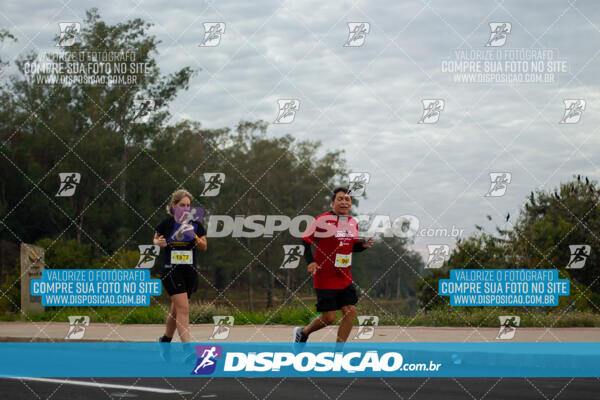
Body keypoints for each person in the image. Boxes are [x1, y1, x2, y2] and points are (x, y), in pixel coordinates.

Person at [294, 187, 374, 343]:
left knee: (350, 311)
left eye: (347, 199)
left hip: (344, 276)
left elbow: (351, 247)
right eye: (340, 199)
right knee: (329, 317)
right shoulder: (322, 220)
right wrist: (311, 261)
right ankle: (303, 333)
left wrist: (363, 245)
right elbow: (305, 240)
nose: (344, 201)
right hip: (325, 275)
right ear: (332, 203)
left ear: (350, 204)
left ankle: (339, 352)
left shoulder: (352, 222)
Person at [154, 189, 207, 343]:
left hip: (189, 272)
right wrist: (159, 243)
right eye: (182, 205)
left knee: (176, 310)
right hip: (171, 271)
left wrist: (194, 236)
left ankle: (165, 340)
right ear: (174, 206)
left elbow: (204, 246)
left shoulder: (195, 225)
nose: (185, 208)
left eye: (188, 205)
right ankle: (187, 348)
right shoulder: (166, 224)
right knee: (183, 309)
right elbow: (155, 239)